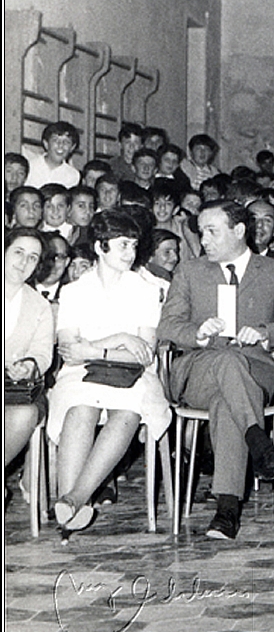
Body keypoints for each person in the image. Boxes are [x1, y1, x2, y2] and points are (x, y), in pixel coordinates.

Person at [158, 199, 274, 540]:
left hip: (254, 369)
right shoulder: (189, 271)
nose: (204, 240)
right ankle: (261, 445)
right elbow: (167, 327)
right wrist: (196, 333)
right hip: (199, 368)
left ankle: (227, 511)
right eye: (201, 232)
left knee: (229, 399)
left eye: (211, 231)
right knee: (227, 363)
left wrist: (265, 332)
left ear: (239, 231)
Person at [47, 210, 171, 535]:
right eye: (123, 246)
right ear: (101, 248)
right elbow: (69, 351)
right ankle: (75, 507)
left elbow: (142, 355)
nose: (131, 254)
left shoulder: (146, 290)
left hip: (132, 376)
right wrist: (119, 338)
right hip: (81, 373)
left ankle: (74, 499)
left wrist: (94, 349)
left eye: (134, 245)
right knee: (80, 407)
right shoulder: (74, 291)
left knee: (127, 413)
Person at [4, 228, 53, 476]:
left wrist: (29, 365)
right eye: (18, 252)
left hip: (13, 389)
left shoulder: (40, 305)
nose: (24, 262)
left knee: (26, 414)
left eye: (33, 257)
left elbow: (43, 353)